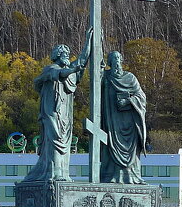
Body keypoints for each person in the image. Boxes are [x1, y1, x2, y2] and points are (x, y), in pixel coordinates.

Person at [22, 27, 92, 182]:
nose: (67, 56)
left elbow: (82, 60)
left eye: (68, 54)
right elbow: (61, 73)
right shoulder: (51, 69)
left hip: (65, 115)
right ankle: (53, 172)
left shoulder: (70, 70)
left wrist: (88, 42)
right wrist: (73, 68)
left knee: (64, 144)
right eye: (65, 54)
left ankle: (62, 173)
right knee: (55, 140)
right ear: (58, 56)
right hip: (51, 112)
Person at [100, 50, 147, 183]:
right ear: (109, 63)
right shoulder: (105, 77)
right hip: (112, 120)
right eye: (113, 60)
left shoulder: (130, 77)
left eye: (118, 59)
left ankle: (131, 177)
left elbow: (141, 97)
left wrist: (128, 101)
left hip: (129, 120)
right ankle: (112, 176)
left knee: (131, 149)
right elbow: (94, 87)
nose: (116, 63)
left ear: (121, 61)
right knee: (110, 145)